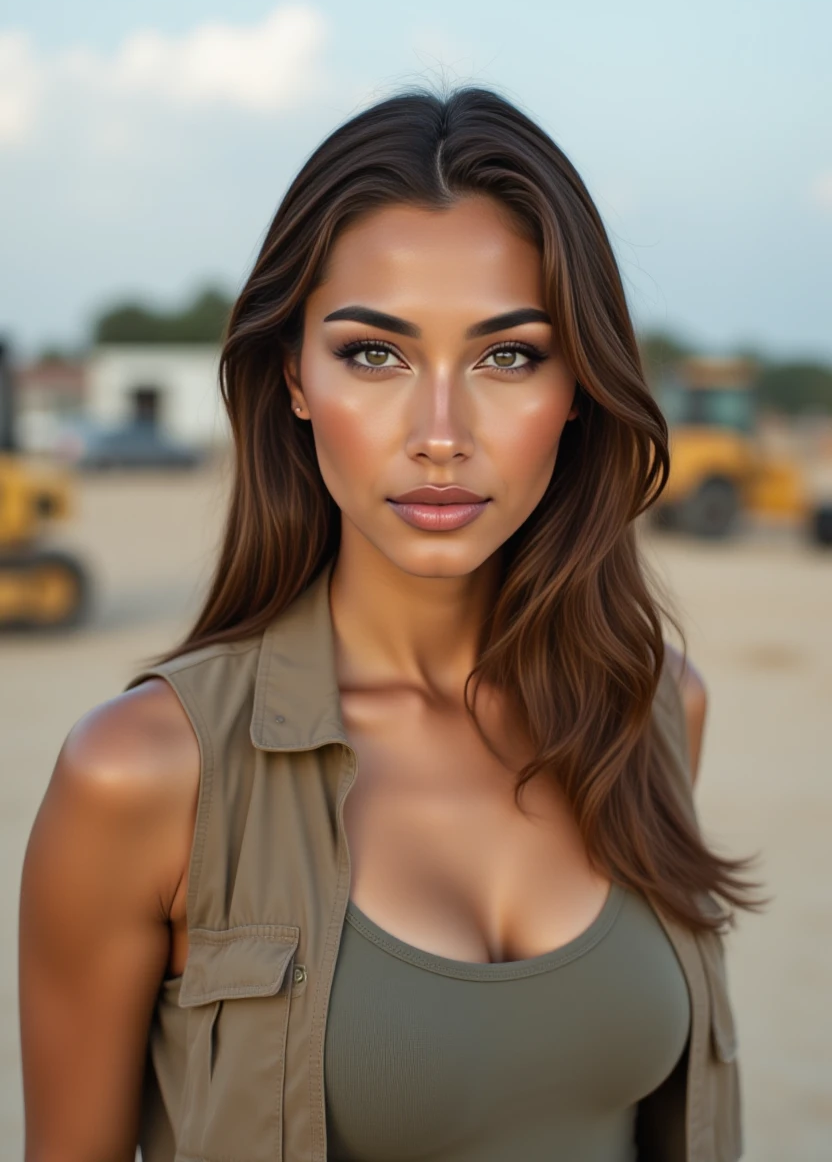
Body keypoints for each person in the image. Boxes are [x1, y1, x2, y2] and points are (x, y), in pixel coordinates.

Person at [19, 86, 758, 1162]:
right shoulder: (144, 774)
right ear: (294, 377)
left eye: (509, 355)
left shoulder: (652, 708)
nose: (440, 434)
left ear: (580, 388)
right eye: (376, 352)